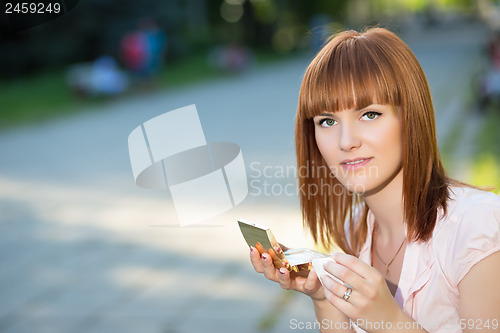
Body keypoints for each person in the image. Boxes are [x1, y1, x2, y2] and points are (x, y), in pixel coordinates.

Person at [249, 27, 500, 332]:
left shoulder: (477, 228)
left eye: (369, 114)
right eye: (327, 121)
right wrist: (324, 297)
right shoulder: (355, 230)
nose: (346, 141)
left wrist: (392, 322)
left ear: (410, 116)